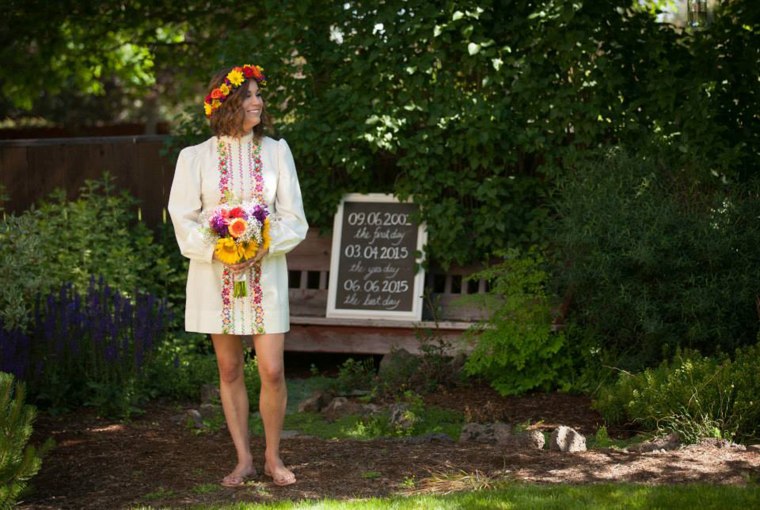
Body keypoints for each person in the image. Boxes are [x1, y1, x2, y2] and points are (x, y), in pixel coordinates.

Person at [168, 64, 308, 488]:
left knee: (272, 370)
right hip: (216, 277)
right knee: (229, 370)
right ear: (227, 103)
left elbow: (294, 217)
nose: (257, 102)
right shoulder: (194, 158)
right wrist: (218, 249)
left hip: (265, 274)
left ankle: (273, 456)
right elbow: (183, 216)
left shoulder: (277, 152)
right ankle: (244, 459)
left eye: (258, 95)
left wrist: (262, 245)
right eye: (248, 96)